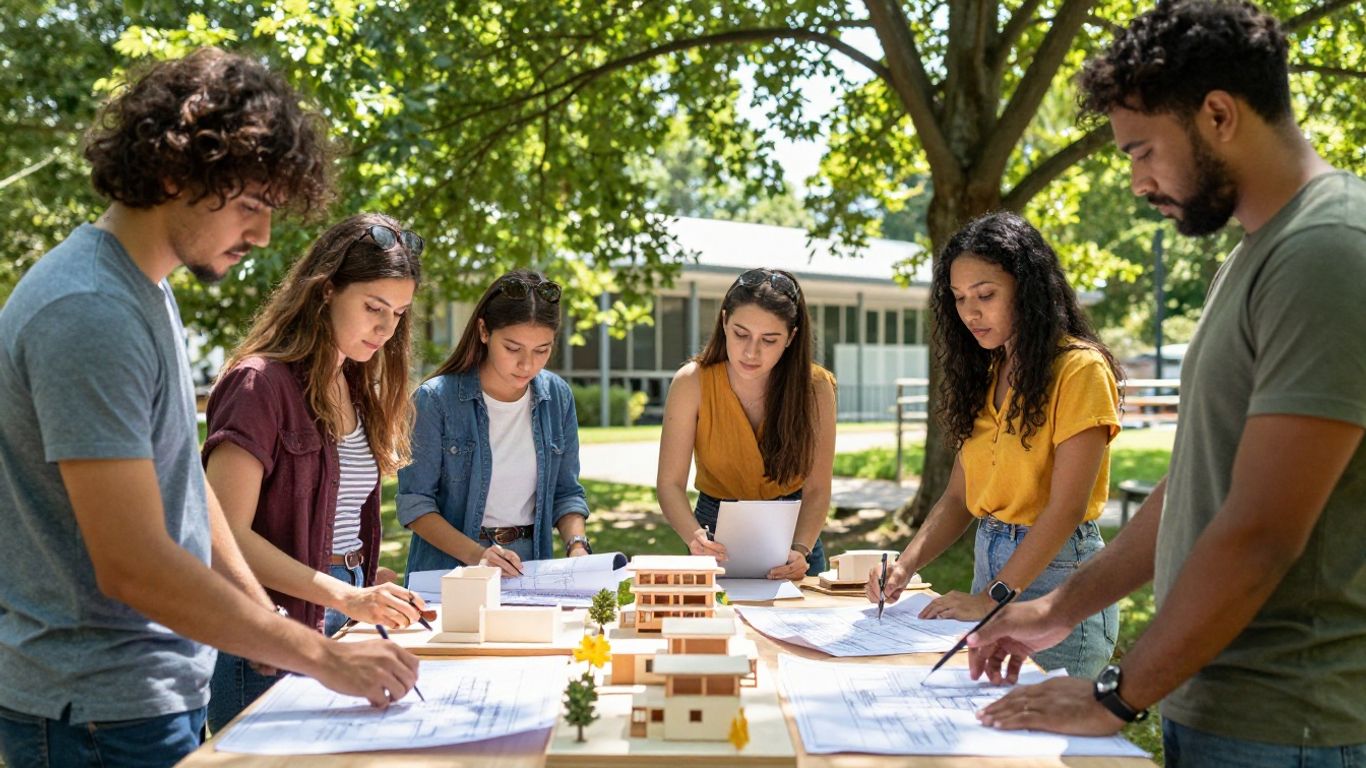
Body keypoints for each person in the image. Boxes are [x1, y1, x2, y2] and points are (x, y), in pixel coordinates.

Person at [968, 3, 1366, 765]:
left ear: (1218, 114)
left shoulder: (1326, 250)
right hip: (1216, 703)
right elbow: (1193, 486)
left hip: (1293, 724)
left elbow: (1260, 533)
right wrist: (1058, 608)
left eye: (1143, 149)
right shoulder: (1258, 253)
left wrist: (1115, 694)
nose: (1137, 181)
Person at [0, 49, 418, 768]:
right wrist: (319, 656)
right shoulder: (90, 311)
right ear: (175, 171)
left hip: (143, 697)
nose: (260, 237)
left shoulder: (142, 291)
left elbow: (191, 504)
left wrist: (273, 624)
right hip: (91, 711)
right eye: (251, 205)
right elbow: (131, 564)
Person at [864, 212, 1121, 677]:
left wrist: (992, 598)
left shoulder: (1080, 370)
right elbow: (960, 497)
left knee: (1042, 739)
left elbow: (1065, 509)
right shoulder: (984, 372)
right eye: (959, 299)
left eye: (986, 295)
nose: (970, 312)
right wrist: (904, 565)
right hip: (994, 566)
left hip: (1057, 578)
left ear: (1029, 289)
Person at [202, 212, 428, 730]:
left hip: (343, 610)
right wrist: (347, 592)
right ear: (325, 290)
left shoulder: (353, 386)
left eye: (398, 313)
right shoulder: (259, 384)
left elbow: (333, 517)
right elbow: (225, 540)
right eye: (373, 307)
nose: (386, 328)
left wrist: (367, 581)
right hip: (269, 630)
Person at [398, 269, 592, 578]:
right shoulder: (435, 400)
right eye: (513, 348)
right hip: (450, 568)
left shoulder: (557, 396)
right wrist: (479, 557)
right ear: (484, 332)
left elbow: (566, 492)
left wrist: (577, 545)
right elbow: (415, 505)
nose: (527, 364)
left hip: (531, 566)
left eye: (542, 350)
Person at [657, 268, 837, 579]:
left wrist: (801, 548)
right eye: (741, 334)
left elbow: (818, 489)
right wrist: (695, 537)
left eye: (769, 340)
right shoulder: (692, 382)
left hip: (795, 533)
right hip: (712, 531)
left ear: (791, 338)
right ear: (724, 321)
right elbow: (670, 485)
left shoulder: (816, 387)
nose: (751, 352)